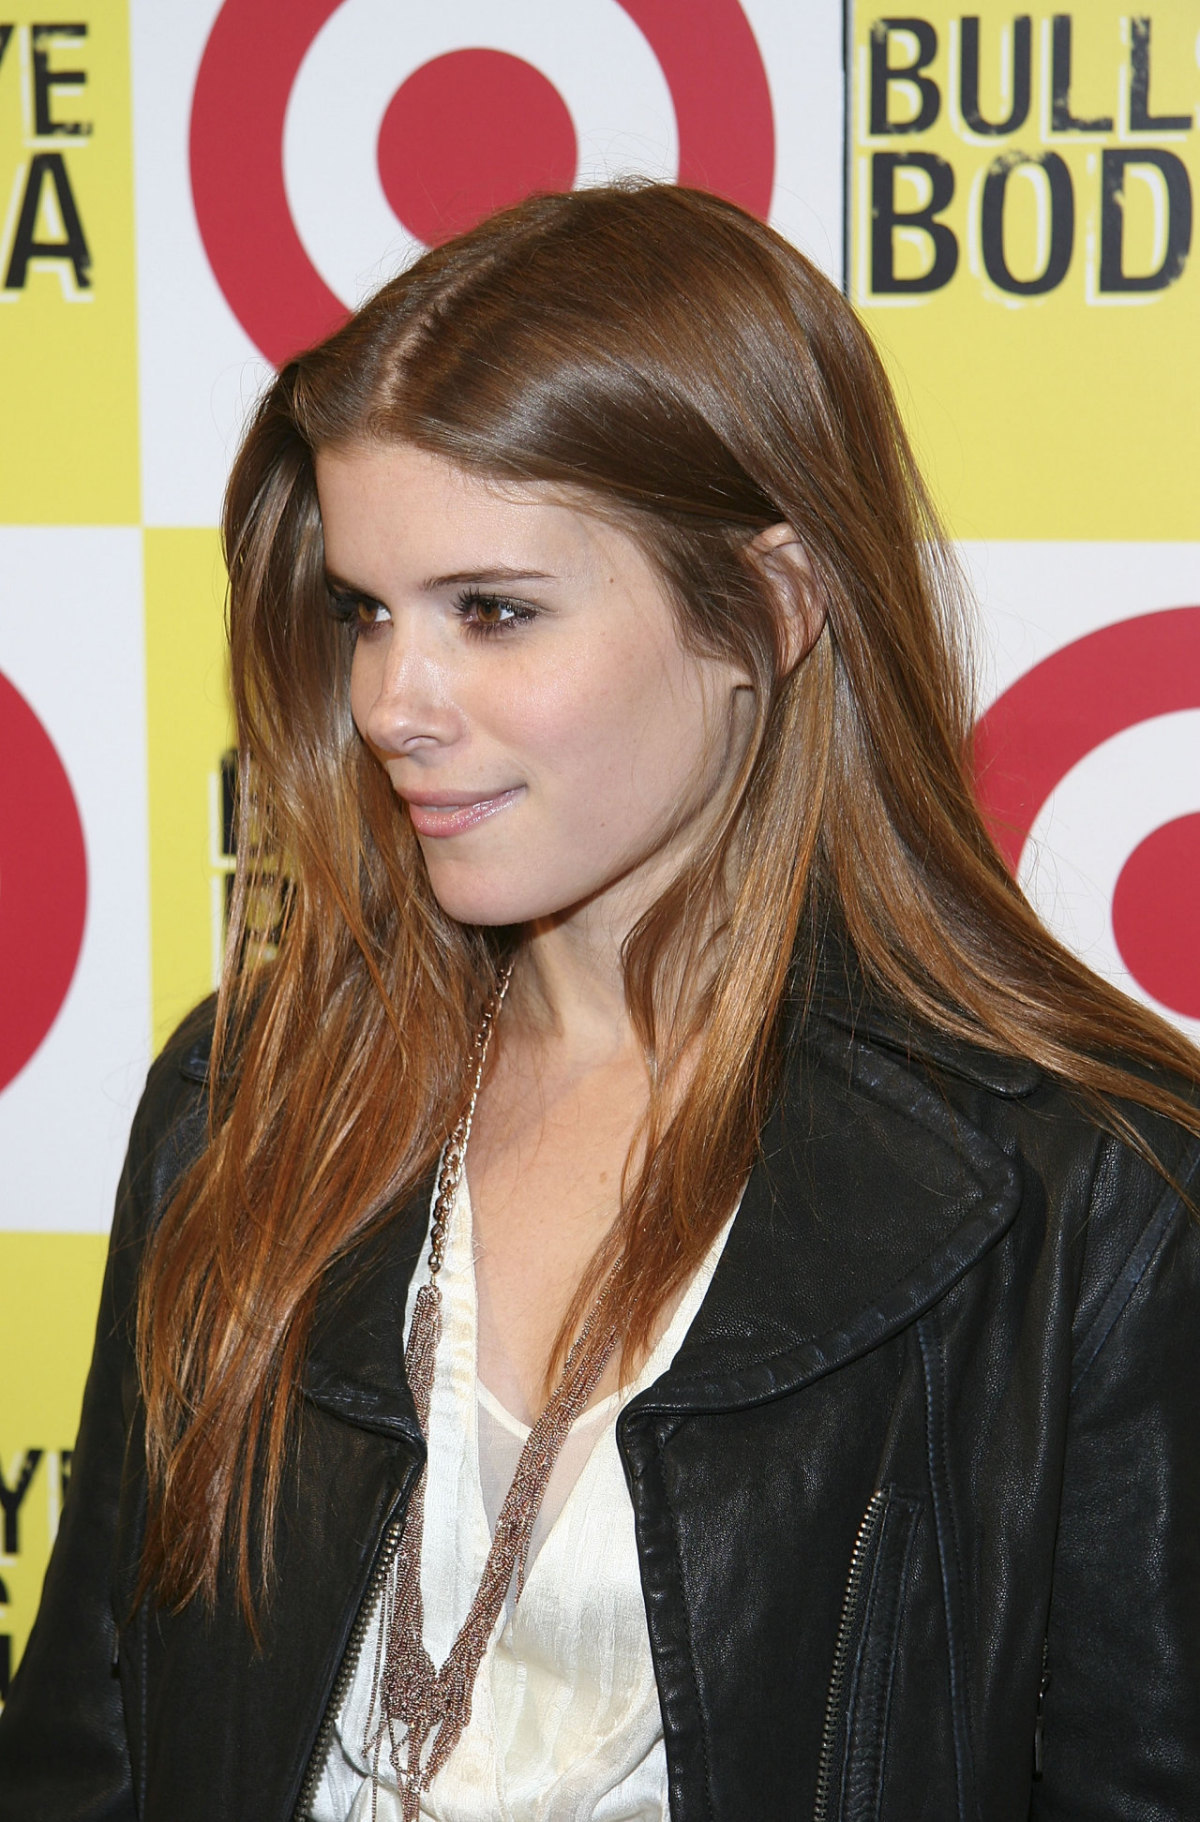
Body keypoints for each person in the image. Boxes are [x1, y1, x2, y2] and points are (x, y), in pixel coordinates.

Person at [1, 182, 1198, 1822]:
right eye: (365, 611)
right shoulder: (244, 1098)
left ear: (771, 607)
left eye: (492, 611)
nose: (392, 702)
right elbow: (85, 1755)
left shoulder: (1093, 1197)